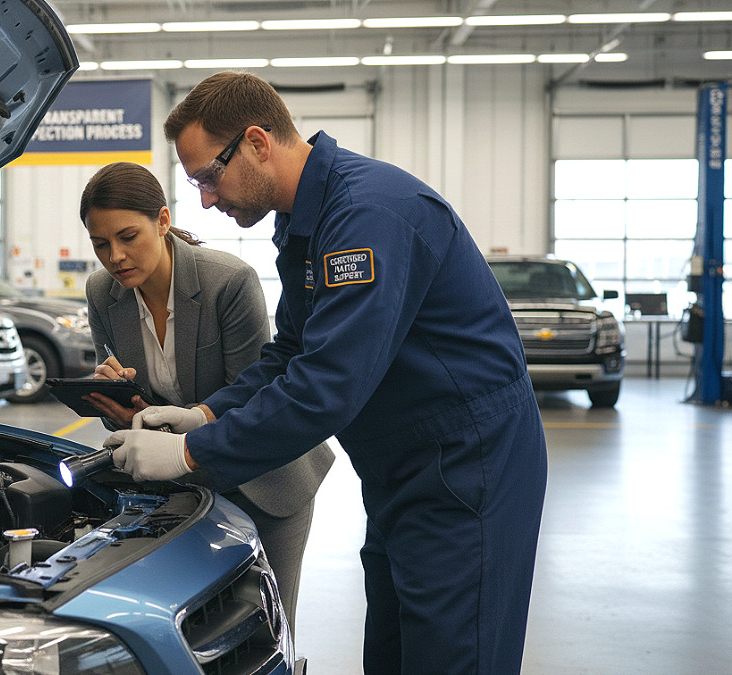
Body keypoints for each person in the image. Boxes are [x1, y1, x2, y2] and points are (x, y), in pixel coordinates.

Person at [103, 72, 549, 674]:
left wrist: (190, 454)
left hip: (468, 467)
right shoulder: (305, 223)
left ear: (258, 142)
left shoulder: (367, 216)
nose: (206, 199)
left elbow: (327, 386)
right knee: (395, 654)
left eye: (210, 176)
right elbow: (292, 352)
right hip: (404, 467)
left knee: (453, 655)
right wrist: (206, 413)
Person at [79, 161, 334, 628]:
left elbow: (256, 394)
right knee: (192, 629)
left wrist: (185, 427)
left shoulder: (227, 281)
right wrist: (120, 406)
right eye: (100, 244)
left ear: (162, 221)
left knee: (264, 626)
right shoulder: (103, 293)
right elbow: (138, 415)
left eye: (127, 236)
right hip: (180, 485)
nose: (114, 256)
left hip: (266, 480)